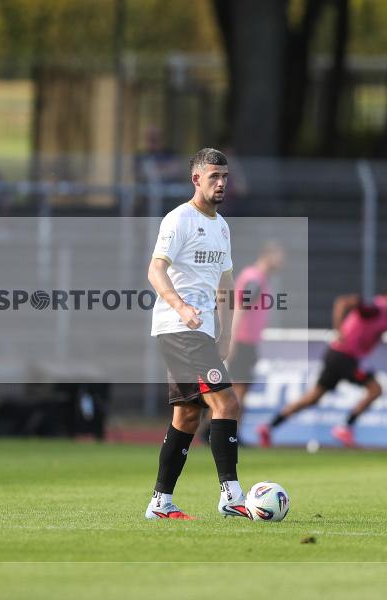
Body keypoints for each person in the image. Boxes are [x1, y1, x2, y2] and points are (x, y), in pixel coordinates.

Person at [145, 147, 251, 520]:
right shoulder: (179, 220)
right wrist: (181, 307)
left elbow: (225, 282)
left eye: (225, 177)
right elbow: (155, 271)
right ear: (196, 179)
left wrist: (223, 330)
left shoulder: (222, 226)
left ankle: (160, 503)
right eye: (214, 177)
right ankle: (231, 495)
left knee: (187, 417)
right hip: (178, 328)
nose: (221, 183)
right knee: (227, 403)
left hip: (201, 332)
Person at [258, 281, 387, 449]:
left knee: (313, 398)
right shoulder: (373, 308)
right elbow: (342, 302)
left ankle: (268, 427)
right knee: (375, 389)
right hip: (343, 355)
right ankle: (344, 427)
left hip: (341, 356)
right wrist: (338, 330)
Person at [227, 241, 285, 407]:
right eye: (279, 258)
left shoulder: (258, 278)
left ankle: (220, 430)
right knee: (237, 389)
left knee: (240, 388)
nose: (281, 262)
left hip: (247, 341)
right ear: (268, 256)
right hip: (242, 341)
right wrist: (231, 340)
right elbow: (240, 307)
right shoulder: (255, 279)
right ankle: (220, 430)